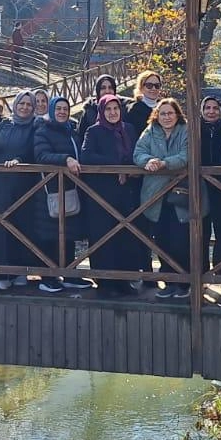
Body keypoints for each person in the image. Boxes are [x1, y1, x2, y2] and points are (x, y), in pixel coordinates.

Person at [81, 93, 147, 296]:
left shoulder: (128, 129)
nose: (112, 112)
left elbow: (135, 153)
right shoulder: (94, 131)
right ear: (102, 111)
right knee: (103, 236)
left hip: (125, 192)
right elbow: (87, 156)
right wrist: (115, 165)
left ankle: (124, 280)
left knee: (125, 236)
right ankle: (105, 283)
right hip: (102, 193)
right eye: (108, 109)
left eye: (115, 108)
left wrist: (128, 168)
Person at [135, 97, 193, 300]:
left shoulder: (186, 131)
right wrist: (148, 161)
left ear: (177, 115)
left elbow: (186, 156)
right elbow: (138, 152)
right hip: (155, 194)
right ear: (157, 116)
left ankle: (183, 282)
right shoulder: (150, 132)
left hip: (180, 194)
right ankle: (168, 281)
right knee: (161, 240)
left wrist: (163, 164)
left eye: (170, 113)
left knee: (180, 240)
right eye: (163, 113)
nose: (167, 117)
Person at [0, 90, 41, 290]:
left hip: (24, 183)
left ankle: (20, 271)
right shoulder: (3, 125)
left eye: (29, 104)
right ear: (15, 105)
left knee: (22, 225)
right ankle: (1, 274)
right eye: (21, 103)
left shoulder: (36, 126)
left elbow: (35, 150)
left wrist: (20, 160)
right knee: (0, 226)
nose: (24, 107)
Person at [33, 94, 86, 292]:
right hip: (50, 190)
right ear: (52, 110)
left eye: (65, 109)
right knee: (49, 234)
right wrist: (66, 159)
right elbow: (42, 155)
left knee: (69, 233)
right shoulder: (43, 130)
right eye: (58, 109)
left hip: (71, 189)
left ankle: (70, 274)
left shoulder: (71, 131)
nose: (62, 112)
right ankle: (48, 278)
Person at [199, 94, 221, 271]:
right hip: (199, 187)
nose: (211, 111)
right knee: (200, 229)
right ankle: (200, 272)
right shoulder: (194, 130)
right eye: (207, 108)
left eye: (215, 108)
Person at [126, 70, 162, 138]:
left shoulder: (164, 107)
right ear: (141, 87)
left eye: (157, 85)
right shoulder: (134, 110)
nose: (154, 88)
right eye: (149, 85)